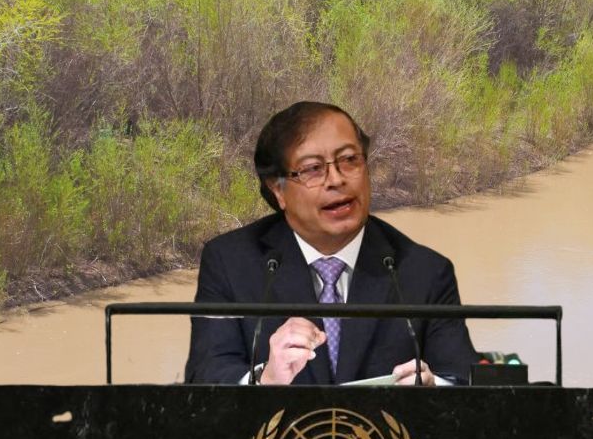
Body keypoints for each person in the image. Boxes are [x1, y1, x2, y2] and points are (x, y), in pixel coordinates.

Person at [184, 101, 477, 385]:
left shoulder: (425, 271)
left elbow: (463, 380)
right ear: (278, 190)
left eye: (349, 160)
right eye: (313, 168)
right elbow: (206, 375)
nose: (336, 180)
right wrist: (265, 380)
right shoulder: (229, 262)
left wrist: (434, 389)